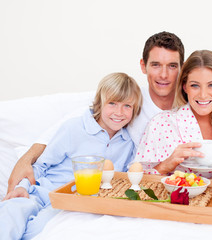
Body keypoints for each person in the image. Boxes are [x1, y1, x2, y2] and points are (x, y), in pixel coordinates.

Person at [6, 31, 185, 194]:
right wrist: (26, 160)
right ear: (143, 66)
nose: (163, 75)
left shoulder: (189, 108)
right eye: (156, 65)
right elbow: (65, 129)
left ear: (181, 68)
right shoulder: (129, 98)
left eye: (172, 66)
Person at [0, 72, 142, 239]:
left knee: (40, 230)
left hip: (68, 205)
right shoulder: (74, 128)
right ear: (100, 104)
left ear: (135, 109)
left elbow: (121, 181)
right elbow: (41, 165)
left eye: (127, 106)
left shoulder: (128, 144)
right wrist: (22, 187)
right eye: (112, 103)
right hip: (41, 191)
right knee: (11, 212)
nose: (119, 112)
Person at [135, 50, 212, 208]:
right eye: (195, 86)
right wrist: (167, 164)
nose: (204, 95)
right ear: (185, 87)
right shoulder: (162, 123)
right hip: (173, 209)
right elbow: (136, 182)